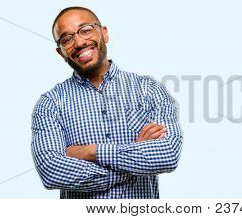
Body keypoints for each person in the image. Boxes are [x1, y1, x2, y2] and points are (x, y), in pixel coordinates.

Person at [31, 6, 183, 199]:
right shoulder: (50, 104)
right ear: (61, 53)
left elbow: (168, 155)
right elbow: (51, 171)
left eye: (85, 30)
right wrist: (135, 158)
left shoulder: (149, 89)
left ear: (104, 33)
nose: (78, 42)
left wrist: (91, 152)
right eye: (67, 39)